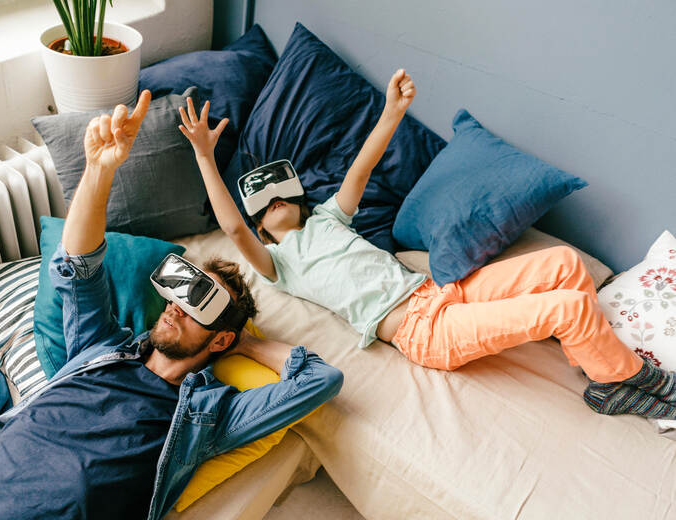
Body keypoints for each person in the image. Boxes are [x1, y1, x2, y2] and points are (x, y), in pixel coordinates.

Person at [0, 90, 343, 520]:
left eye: (199, 303)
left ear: (221, 336)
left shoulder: (207, 420)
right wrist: (99, 170)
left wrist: (244, 346)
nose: (174, 305)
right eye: (177, 289)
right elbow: (78, 265)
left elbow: (320, 380)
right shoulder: (99, 347)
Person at [178, 68, 676, 419]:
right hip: (423, 332)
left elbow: (361, 169)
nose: (273, 206)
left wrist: (393, 111)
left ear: (302, 198)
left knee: (567, 264)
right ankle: (616, 382)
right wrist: (205, 154)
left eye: (281, 195)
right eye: (262, 209)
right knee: (568, 307)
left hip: (441, 292)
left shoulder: (329, 218)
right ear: (261, 230)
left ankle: (592, 358)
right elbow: (234, 229)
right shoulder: (278, 263)